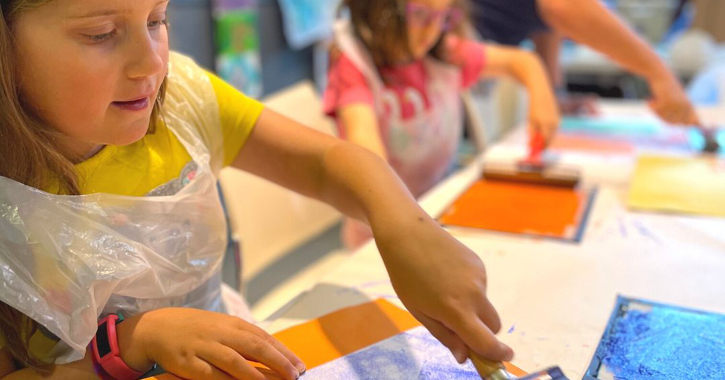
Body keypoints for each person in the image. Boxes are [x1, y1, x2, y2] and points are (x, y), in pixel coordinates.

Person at [0, 0, 514, 379]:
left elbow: (326, 164)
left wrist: (402, 224)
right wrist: (135, 344)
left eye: (157, 20)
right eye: (101, 33)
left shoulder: (184, 103)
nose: (152, 63)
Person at [324, 0, 560, 249]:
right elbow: (370, 165)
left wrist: (543, 98)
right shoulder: (354, 66)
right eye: (421, 15)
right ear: (380, 9)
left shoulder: (442, 52)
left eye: (444, 17)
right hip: (380, 237)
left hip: (440, 214)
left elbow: (524, 62)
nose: (433, 30)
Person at [469, 0, 700, 123]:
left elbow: (545, 18)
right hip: (456, 50)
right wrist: (658, 72)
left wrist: (554, 94)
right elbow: (561, 6)